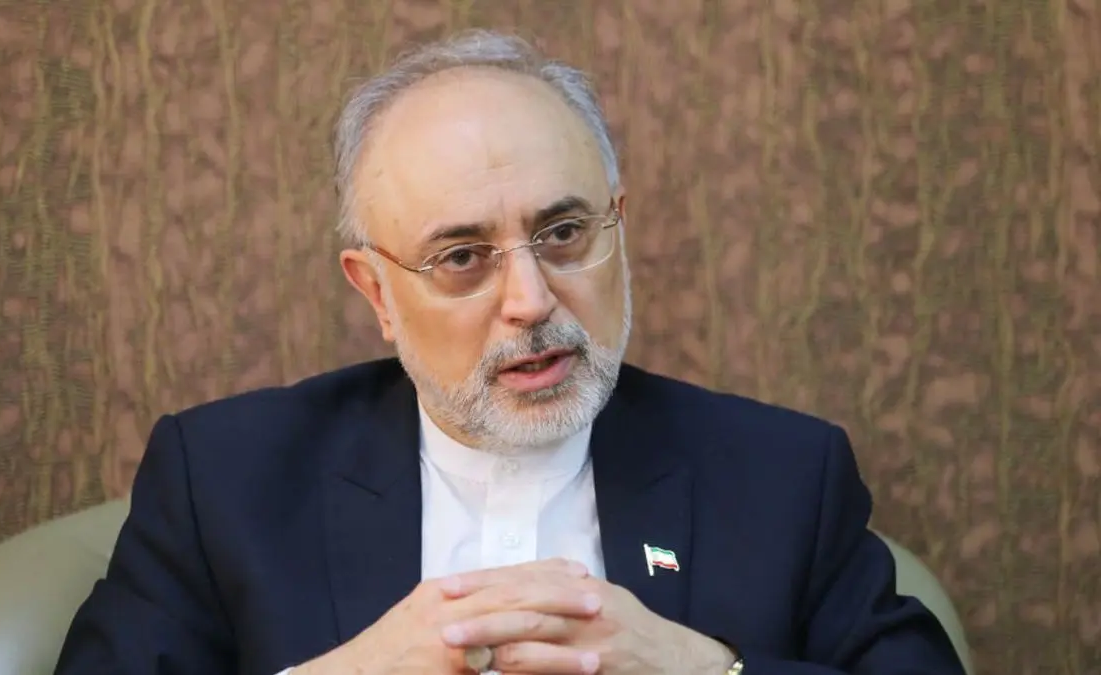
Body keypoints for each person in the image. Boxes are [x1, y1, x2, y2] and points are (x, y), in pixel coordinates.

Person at [55, 29, 965, 675]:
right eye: (461, 257)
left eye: (564, 234)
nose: (530, 301)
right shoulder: (224, 480)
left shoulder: (782, 476)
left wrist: (703, 668)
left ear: (618, 226)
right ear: (376, 292)